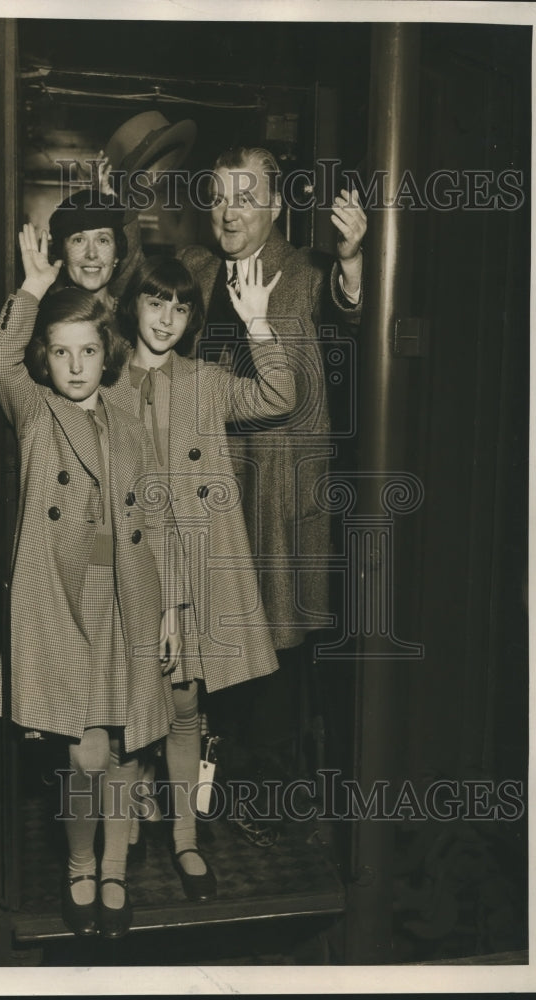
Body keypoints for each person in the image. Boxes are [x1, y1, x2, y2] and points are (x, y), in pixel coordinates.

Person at [0, 226, 181, 939]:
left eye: (88, 350)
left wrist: (168, 610)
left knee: (128, 748)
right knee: (84, 751)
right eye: (60, 352)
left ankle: (117, 872)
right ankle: (78, 867)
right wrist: (33, 288)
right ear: (47, 358)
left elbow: (154, 522)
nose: (74, 364)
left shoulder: (129, 422)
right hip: (67, 600)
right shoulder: (36, 411)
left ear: (108, 354)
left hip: (130, 595)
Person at [179, 146, 367, 845]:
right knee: (206, 633)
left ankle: (267, 796)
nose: (228, 211)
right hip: (205, 485)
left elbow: (357, 312)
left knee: (276, 642)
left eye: (245, 196)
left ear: (276, 207)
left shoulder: (310, 270)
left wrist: (352, 260)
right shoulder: (195, 271)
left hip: (278, 490)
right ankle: (203, 792)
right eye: (218, 195)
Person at [102, 253, 296, 900]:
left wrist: (258, 324)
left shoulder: (206, 382)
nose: (167, 319)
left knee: (185, 707)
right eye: (156, 303)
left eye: (181, 308)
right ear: (133, 305)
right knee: (130, 717)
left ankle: (184, 838)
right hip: (126, 575)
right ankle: (117, 845)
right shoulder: (99, 384)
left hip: (191, 579)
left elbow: (278, 394)